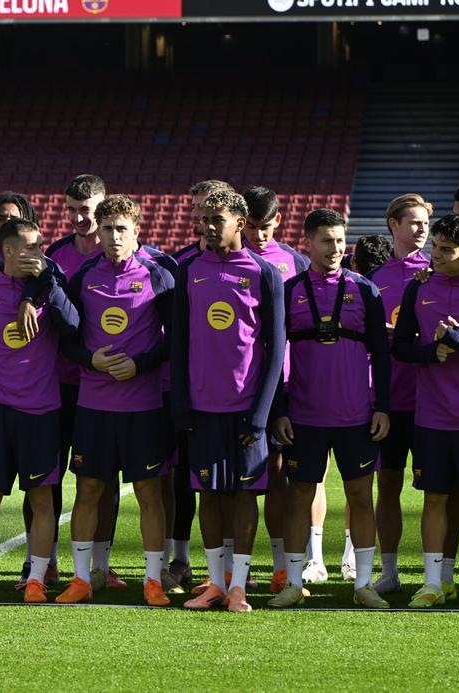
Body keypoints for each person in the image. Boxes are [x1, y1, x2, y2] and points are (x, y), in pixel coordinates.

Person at [54, 195, 174, 607]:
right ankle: (83, 578)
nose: (114, 236)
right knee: (87, 491)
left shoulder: (160, 273)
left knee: (149, 492)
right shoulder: (85, 274)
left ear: (137, 229)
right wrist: (90, 359)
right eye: (107, 229)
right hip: (94, 404)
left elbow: (175, 339)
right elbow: (65, 337)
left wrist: (140, 365)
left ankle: (154, 580)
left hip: (143, 406)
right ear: (98, 231)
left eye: (122, 228)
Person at [268, 209, 390, 609]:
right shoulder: (290, 289)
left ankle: (364, 584)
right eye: (326, 240)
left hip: (356, 414)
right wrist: (281, 409)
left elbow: (381, 354)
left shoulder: (365, 289)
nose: (335, 248)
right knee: (299, 495)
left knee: (360, 496)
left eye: (340, 240)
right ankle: (292, 582)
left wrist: (382, 406)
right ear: (308, 243)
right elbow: (276, 354)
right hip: (303, 415)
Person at [171, 188, 284, 612]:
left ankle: (239, 586)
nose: (208, 226)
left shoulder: (263, 272)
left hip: (246, 407)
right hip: (202, 407)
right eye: (205, 218)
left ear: (240, 221)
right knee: (209, 495)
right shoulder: (189, 270)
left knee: (243, 495)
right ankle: (214, 583)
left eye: (217, 219)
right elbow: (178, 341)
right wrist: (181, 401)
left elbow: (276, 347)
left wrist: (261, 415)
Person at [0, 218, 79, 604]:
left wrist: (42, 291)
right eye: (30, 246)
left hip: (41, 410)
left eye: (40, 245)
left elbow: (74, 326)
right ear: (8, 250)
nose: (38, 252)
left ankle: (37, 579)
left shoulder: (50, 286)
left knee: (42, 500)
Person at [20, 174, 106, 591]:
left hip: (101, 385)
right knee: (44, 476)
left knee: (99, 476)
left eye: (86, 210)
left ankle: (100, 564)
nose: (78, 218)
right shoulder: (52, 256)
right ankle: (44, 560)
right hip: (54, 383)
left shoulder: (115, 257)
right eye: (71, 210)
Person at [242, 186, 311, 593]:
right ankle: (241, 566)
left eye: (265, 227)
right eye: (251, 226)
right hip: (243, 387)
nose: (258, 235)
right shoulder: (231, 260)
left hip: (288, 387)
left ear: (278, 222)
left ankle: (283, 564)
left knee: (284, 476)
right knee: (249, 478)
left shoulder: (294, 262)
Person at [392, 213, 459, 608]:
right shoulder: (418, 288)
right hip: (431, 416)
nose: (435, 255)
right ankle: (433, 581)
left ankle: (451, 574)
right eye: (434, 246)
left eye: (447, 250)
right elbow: (401, 347)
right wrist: (431, 351)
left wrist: (454, 337)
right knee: (434, 498)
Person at [167, 179, 233, 590]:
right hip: (193, 393)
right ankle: (182, 559)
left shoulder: (256, 267)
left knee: (235, 487)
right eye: (197, 210)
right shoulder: (181, 265)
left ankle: (229, 567)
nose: (202, 219)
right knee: (186, 479)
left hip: (238, 397)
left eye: (210, 211)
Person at [370, 193, 434, 595]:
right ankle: (389, 570)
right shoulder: (377, 279)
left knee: (438, 492)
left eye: (426, 222)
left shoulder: (439, 273)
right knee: (388, 484)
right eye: (413, 221)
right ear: (393, 224)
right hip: (391, 400)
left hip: (433, 401)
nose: (422, 228)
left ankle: (437, 574)